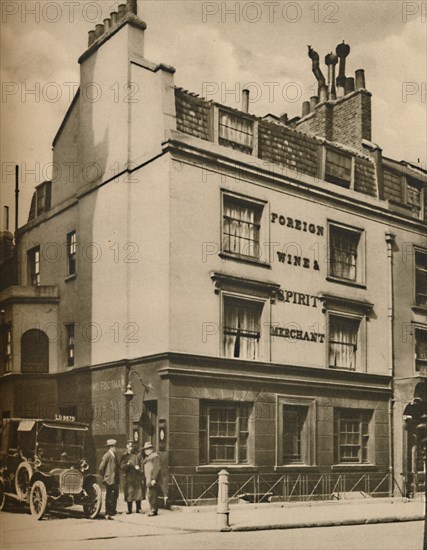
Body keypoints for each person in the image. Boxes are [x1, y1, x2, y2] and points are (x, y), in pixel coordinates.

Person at [98, 438, 120, 520]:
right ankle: (108, 511)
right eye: (113, 446)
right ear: (110, 447)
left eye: (115, 446)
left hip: (115, 479)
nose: (115, 448)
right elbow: (101, 468)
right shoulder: (107, 455)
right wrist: (105, 476)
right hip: (109, 479)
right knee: (109, 495)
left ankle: (113, 511)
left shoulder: (114, 455)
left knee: (115, 494)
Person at [120, 440, 144, 514]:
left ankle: (138, 509)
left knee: (138, 493)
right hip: (128, 477)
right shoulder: (124, 456)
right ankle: (129, 509)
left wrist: (139, 468)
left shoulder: (137, 455)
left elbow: (141, 465)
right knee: (129, 493)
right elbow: (121, 466)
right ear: (127, 446)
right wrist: (127, 464)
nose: (131, 448)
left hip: (136, 476)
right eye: (130, 446)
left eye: (132, 446)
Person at [142, 441, 161, 516]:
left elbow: (157, 468)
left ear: (151, 449)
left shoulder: (155, 456)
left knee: (153, 495)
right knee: (150, 495)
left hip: (152, 479)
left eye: (147, 449)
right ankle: (152, 509)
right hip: (148, 479)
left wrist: (154, 479)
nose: (146, 451)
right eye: (145, 449)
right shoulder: (148, 457)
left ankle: (153, 510)